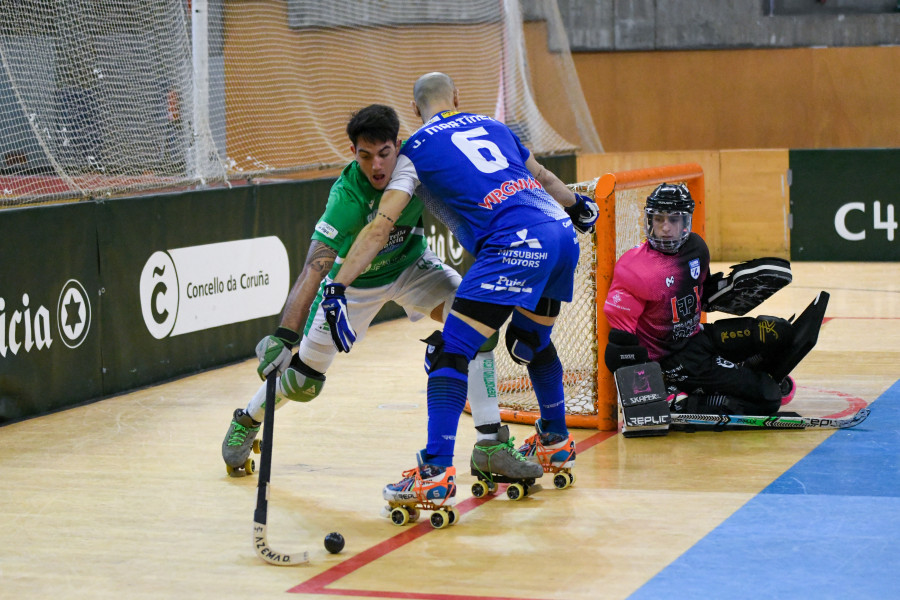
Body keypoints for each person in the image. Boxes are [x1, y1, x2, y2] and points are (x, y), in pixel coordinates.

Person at [318, 73, 600, 511]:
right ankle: (554, 441)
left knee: (451, 350)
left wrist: (336, 284)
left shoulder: (412, 153)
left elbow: (380, 227)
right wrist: (579, 206)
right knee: (530, 343)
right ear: (458, 98)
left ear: (415, 111)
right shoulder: (494, 126)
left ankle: (434, 472)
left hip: (513, 242)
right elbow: (542, 175)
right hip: (560, 232)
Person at [221, 104, 539, 483]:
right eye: (365, 155)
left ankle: (490, 444)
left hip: (412, 268)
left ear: (398, 147)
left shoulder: (417, 168)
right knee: (303, 382)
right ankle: (248, 417)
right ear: (353, 153)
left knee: (478, 325)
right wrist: (285, 335)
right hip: (353, 288)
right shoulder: (347, 197)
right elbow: (315, 266)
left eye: (384, 153)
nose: (376, 166)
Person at [603, 182, 799, 418]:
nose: (665, 228)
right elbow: (620, 349)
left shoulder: (696, 248)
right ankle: (689, 401)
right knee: (768, 397)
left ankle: (743, 373)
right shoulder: (633, 268)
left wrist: (729, 291)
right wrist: (655, 395)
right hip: (674, 362)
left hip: (698, 337)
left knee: (778, 332)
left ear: (686, 222)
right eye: (659, 219)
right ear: (649, 221)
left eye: (673, 220)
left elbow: (700, 294)